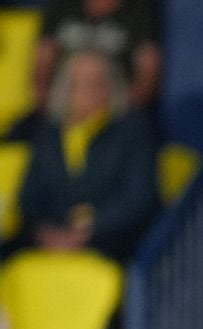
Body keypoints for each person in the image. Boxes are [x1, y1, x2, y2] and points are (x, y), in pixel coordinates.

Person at [13, 48, 157, 264]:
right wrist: (44, 233)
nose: (86, 91)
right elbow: (29, 198)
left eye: (95, 82)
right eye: (77, 83)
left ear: (111, 86)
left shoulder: (132, 131)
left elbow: (137, 199)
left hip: (110, 239)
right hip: (48, 237)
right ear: (64, 88)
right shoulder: (47, 133)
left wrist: (88, 231)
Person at [33, 0, 161, 115]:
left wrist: (120, 113)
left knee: (93, 66)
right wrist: (47, 106)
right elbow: (43, 60)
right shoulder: (61, 5)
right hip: (63, 106)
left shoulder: (140, 8)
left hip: (116, 107)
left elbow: (147, 73)